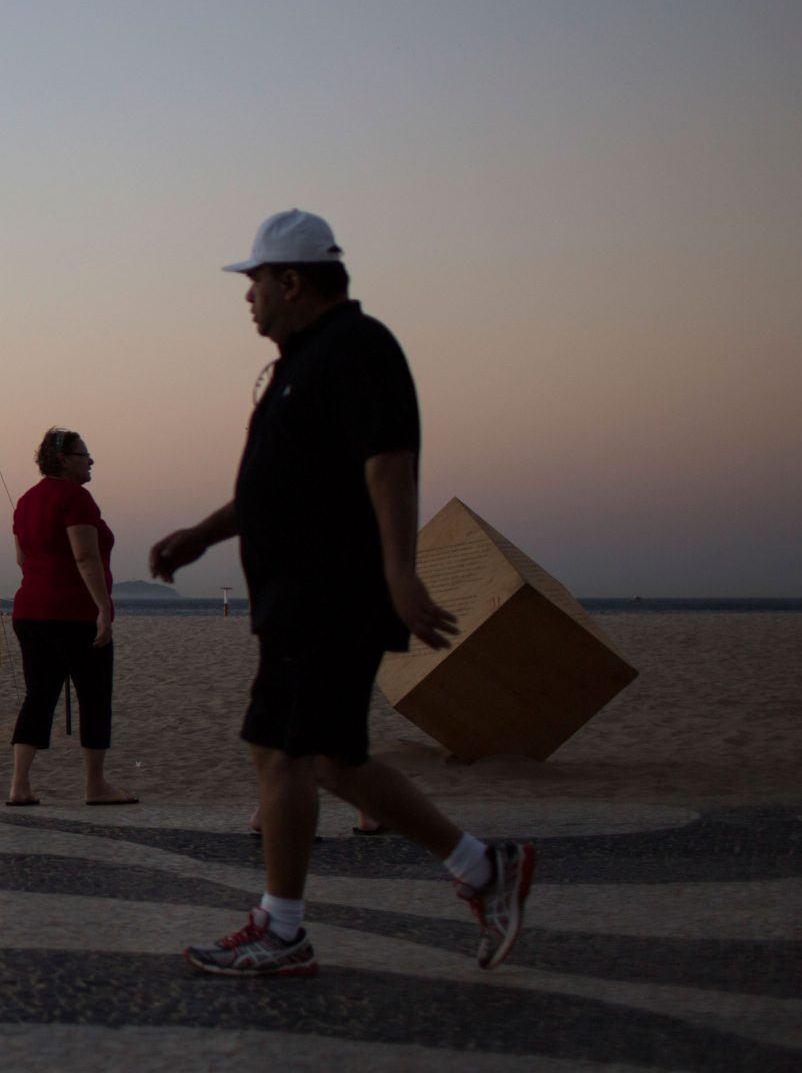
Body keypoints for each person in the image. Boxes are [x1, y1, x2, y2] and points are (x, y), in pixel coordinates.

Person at [151, 210, 533, 976]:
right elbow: (277, 488)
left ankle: (283, 930)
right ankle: (482, 869)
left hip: (328, 591)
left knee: (281, 747)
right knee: (330, 758)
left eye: (255, 280)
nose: (248, 296)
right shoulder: (300, 363)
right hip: (302, 592)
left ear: (292, 281)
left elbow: (389, 462)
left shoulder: (357, 348)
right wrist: (201, 535)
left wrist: (400, 570)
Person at [4, 427, 131, 807]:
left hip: (30, 612)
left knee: (38, 697)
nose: (90, 460)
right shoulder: (77, 499)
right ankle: (96, 786)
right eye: (83, 454)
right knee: (94, 697)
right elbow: (85, 557)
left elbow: (21, 559)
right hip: (73, 614)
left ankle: (19, 786)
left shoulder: (26, 501)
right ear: (63, 459)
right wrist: (103, 609)